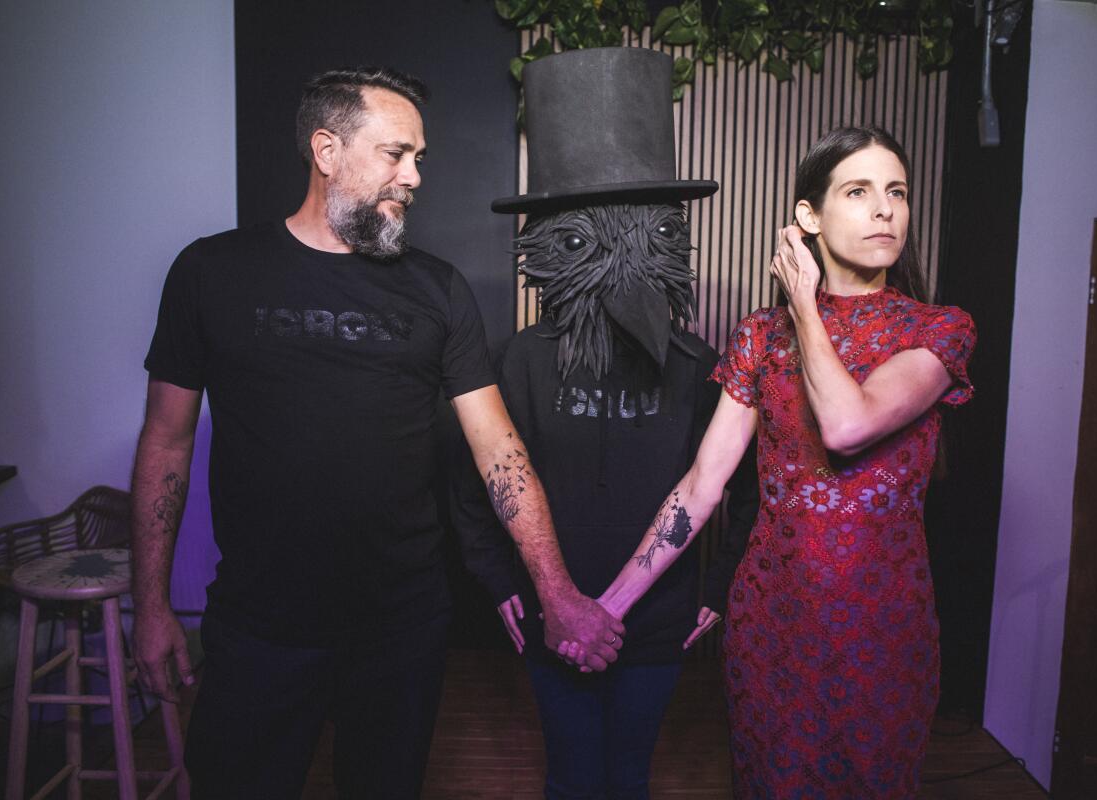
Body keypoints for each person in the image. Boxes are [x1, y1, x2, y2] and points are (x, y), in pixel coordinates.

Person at [129, 66, 623, 800]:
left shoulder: (437, 288)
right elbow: (166, 443)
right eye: (397, 153)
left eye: (419, 157)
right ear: (326, 151)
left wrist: (556, 591)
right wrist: (151, 605)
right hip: (260, 625)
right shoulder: (211, 273)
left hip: (401, 628)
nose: (415, 176)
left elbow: (499, 450)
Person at [571, 126, 976, 798]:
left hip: (884, 627)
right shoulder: (760, 336)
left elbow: (848, 425)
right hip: (772, 624)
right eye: (859, 191)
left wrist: (806, 309)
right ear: (808, 217)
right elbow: (703, 486)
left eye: (897, 193)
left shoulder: (937, 329)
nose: (885, 209)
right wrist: (607, 608)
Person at [453, 47, 758, 800]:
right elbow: (471, 482)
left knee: (627, 776)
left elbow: (742, 484)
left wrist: (717, 587)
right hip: (548, 616)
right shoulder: (517, 363)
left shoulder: (697, 365)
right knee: (569, 772)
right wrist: (503, 584)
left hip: (656, 626)